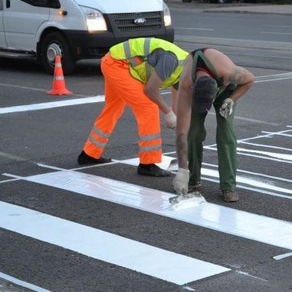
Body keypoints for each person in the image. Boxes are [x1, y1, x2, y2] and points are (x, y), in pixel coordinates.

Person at [78, 37, 188, 177]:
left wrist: (176, 116)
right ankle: (147, 164)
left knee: (113, 108)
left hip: (114, 61)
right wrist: (168, 113)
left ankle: (89, 153)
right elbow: (150, 90)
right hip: (119, 64)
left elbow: (177, 90)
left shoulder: (184, 66)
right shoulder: (172, 60)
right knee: (148, 107)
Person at [172, 48, 255, 203]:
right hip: (203, 87)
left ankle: (228, 186)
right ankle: (193, 180)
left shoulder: (230, 72)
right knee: (193, 133)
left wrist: (231, 99)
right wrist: (183, 170)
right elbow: (181, 133)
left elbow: (250, 79)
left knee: (226, 134)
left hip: (227, 91)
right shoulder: (186, 85)